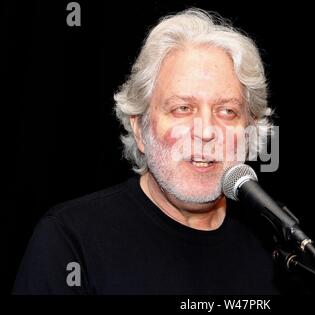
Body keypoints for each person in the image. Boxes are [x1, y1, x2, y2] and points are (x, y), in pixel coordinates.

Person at [13, 8, 286, 295]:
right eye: (183, 108)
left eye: (227, 111)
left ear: (250, 130)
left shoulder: (279, 250)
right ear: (141, 129)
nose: (206, 131)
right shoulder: (70, 241)